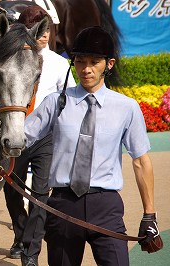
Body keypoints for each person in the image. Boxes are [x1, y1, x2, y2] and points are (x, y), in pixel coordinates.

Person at [24, 26, 161, 265]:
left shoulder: (127, 107)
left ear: (109, 64)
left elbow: (140, 161)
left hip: (106, 207)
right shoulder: (55, 102)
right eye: (79, 61)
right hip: (62, 205)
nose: (86, 69)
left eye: (94, 62)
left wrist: (150, 215)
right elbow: (20, 138)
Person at [1, 6, 76, 266]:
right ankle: (21, 237)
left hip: (45, 136)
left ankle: (30, 253)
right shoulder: (9, 57)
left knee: (41, 194)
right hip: (14, 132)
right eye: (39, 29)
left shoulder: (59, 63)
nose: (45, 35)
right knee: (12, 190)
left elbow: (68, 100)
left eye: (47, 29)